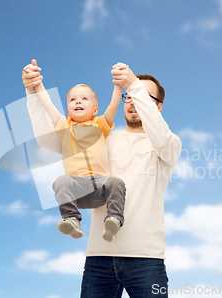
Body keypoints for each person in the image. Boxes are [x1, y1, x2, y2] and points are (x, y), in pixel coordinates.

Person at [22, 60, 182, 298]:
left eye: (143, 96)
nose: (134, 100)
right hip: (98, 258)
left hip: (146, 258)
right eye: (129, 95)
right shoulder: (102, 139)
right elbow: (49, 139)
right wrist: (32, 92)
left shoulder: (167, 145)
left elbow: (160, 134)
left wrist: (133, 84)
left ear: (157, 107)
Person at [23, 59, 127, 242]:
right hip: (76, 190)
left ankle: (114, 219)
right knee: (60, 181)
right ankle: (71, 219)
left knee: (116, 183)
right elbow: (48, 105)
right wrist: (37, 85)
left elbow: (114, 105)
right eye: (73, 99)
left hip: (100, 186)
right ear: (69, 110)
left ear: (95, 110)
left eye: (84, 98)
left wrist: (119, 84)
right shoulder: (64, 126)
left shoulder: (100, 124)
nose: (78, 101)